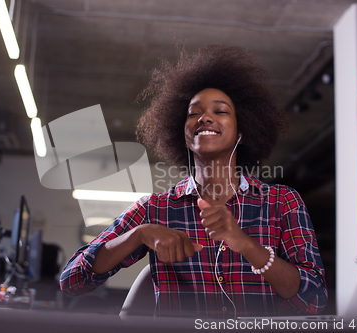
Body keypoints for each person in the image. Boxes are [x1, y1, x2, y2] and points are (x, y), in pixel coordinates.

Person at [60, 45, 327, 318]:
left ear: (242, 133)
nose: (205, 117)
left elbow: (313, 299)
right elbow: (71, 280)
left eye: (220, 111)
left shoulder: (282, 203)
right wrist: (138, 234)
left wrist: (246, 244)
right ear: (184, 135)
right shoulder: (155, 209)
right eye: (193, 113)